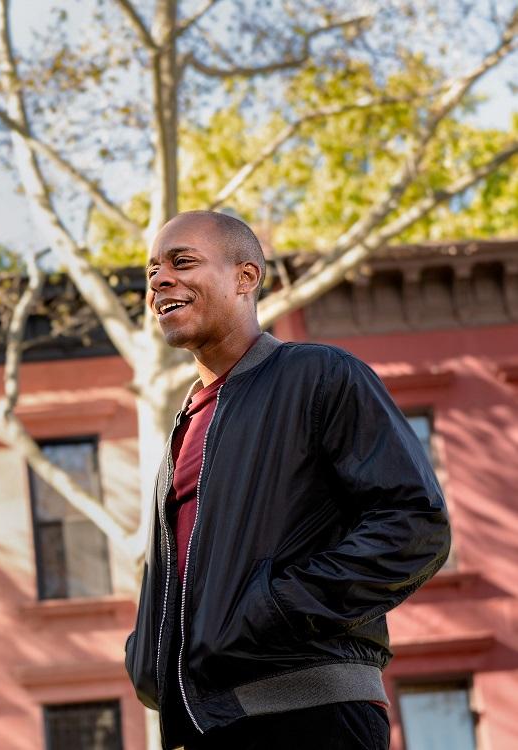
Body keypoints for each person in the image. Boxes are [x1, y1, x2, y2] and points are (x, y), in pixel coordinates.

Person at [124, 211, 450, 750]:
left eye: (182, 262)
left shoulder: (319, 375)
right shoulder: (185, 425)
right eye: (152, 270)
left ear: (245, 277)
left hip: (310, 713)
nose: (159, 280)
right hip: (208, 723)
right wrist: (146, 658)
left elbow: (414, 524)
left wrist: (277, 607)